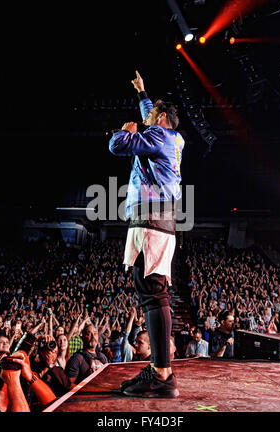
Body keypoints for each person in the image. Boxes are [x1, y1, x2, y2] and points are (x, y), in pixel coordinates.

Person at [109, 70, 184, 398]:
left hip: (150, 221)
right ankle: (159, 370)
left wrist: (123, 133)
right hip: (161, 221)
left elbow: (119, 146)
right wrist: (143, 94)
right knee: (152, 292)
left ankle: (163, 375)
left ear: (162, 118)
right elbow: (152, 118)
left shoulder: (155, 137)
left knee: (153, 294)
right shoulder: (172, 139)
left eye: (153, 115)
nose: (147, 119)